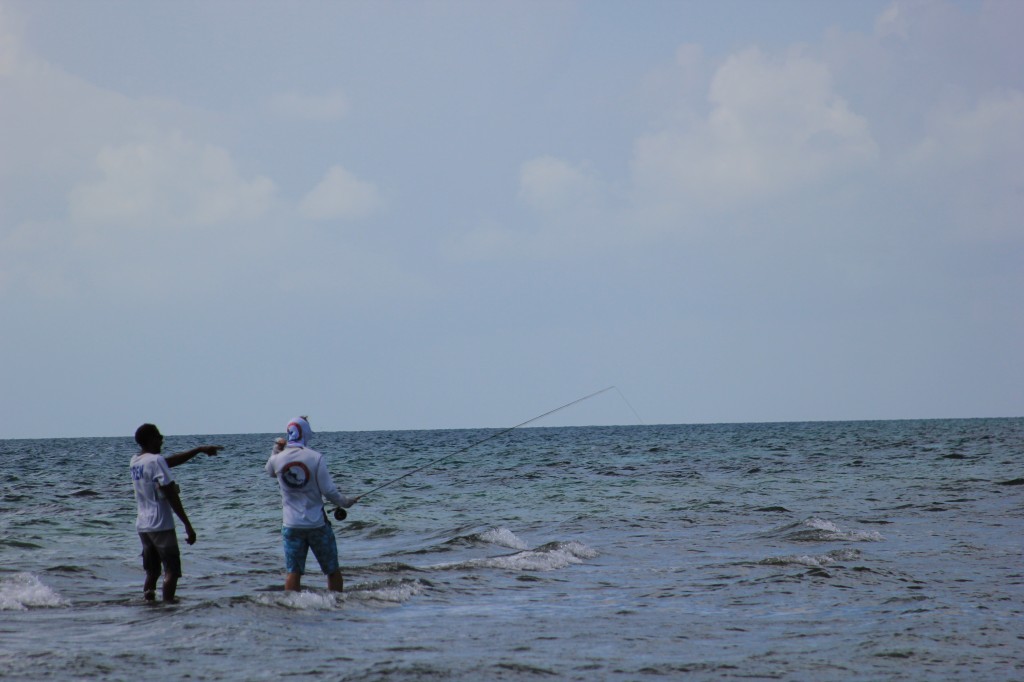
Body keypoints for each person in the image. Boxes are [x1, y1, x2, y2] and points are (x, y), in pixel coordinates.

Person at [130, 423, 222, 602]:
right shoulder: (155, 461)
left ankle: (149, 604)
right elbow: (171, 494)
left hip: (143, 526)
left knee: (152, 572)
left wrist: (198, 450)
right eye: (158, 436)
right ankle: (169, 606)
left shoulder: (135, 461)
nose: (162, 439)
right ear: (150, 440)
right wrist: (187, 525)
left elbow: (170, 461)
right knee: (171, 571)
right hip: (161, 525)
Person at [266, 416, 358, 592]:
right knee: (332, 570)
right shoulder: (316, 458)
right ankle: (336, 606)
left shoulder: (277, 459)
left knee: (293, 572)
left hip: (291, 525)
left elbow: (269, 471)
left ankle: (291, 608)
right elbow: (329, 491)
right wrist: (346, 502)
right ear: (305, 433)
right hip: (317, 524)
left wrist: (276, 450)